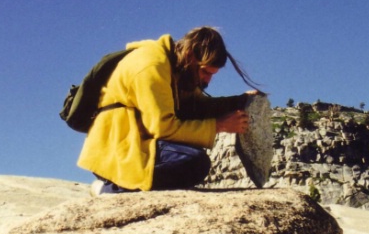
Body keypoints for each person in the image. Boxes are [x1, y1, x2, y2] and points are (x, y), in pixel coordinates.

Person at [77, 26, 260, 195]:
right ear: (189, 55)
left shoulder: (178, 68)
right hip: (117, 146)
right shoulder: (152, 66)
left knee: (192, 157)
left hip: (136, 142)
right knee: (194, 163)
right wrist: (218, 126)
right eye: (205, 72)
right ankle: (111, 189)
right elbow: (162, 128)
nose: (207, 81)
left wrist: (240, 101)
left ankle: (118, 185)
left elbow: (198, 106)